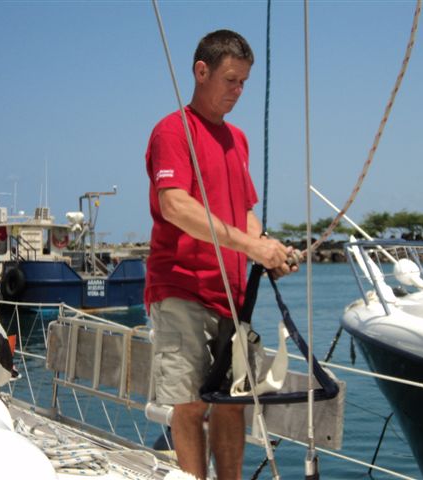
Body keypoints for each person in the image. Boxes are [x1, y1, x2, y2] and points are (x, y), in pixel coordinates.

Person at [144, 30, 295, 480]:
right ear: (201, 71)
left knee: (233, 403)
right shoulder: (173, 130)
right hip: (181, 287)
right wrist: (251, 246)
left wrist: (269, 249)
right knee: (189, 404)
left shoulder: (238, 139)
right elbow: (175, 205)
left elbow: (244, 211)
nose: (238, 91)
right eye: (231, 80)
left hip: (230, 295)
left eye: (244, 82)